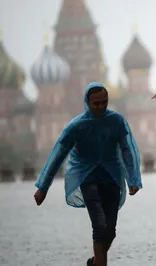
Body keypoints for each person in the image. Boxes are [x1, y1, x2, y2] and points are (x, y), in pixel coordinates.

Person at [33, 82, 142, 266]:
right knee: (99, 225)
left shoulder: (116, 121)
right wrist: (43, 187)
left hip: (112, 177)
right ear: (87, 103)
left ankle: (94, 262)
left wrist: (133, 178)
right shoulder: (77, 125)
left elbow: (127, 149)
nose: (100, 107)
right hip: (87, 178)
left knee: (110, 231)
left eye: (104, 102)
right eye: (96, 104)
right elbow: (58, 154)